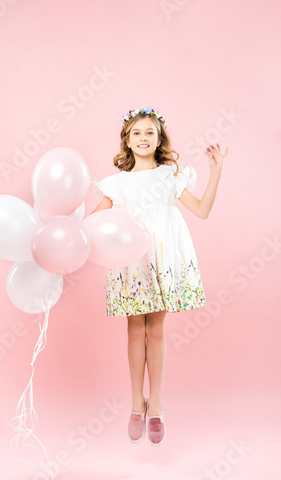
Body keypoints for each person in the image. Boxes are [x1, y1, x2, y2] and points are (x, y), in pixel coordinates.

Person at [91, 106, 228, 446]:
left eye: (149, 132)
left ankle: (157, 405)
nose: (143, 138)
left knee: (156, 328)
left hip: (163, 257)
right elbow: (90, 225)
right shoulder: (118, 184)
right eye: (136, 132)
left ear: (159, 138)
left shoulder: (170, 176)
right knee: (135, 328)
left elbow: (203, 211)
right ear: (127, 139)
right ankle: (137, 400)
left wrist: (216, 173)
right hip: (132, 262)